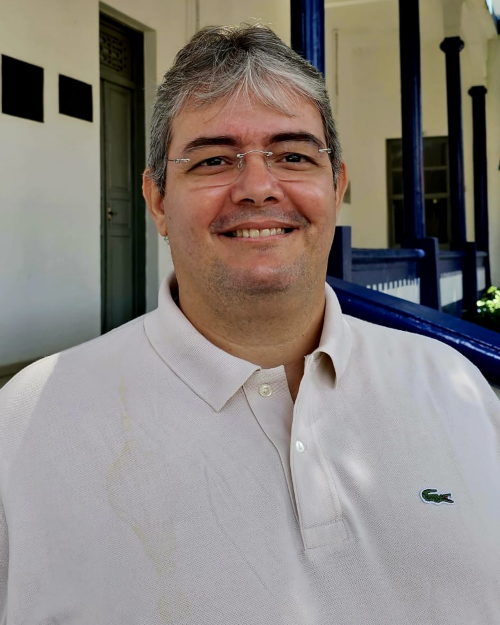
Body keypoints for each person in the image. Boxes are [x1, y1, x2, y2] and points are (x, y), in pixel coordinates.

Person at [0, 23, 499, 625]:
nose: (259, 188)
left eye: (293, 156)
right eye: (214, 160)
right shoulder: (27, 425)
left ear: (336, 186)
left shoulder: (455, 386)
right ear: (157, 201)